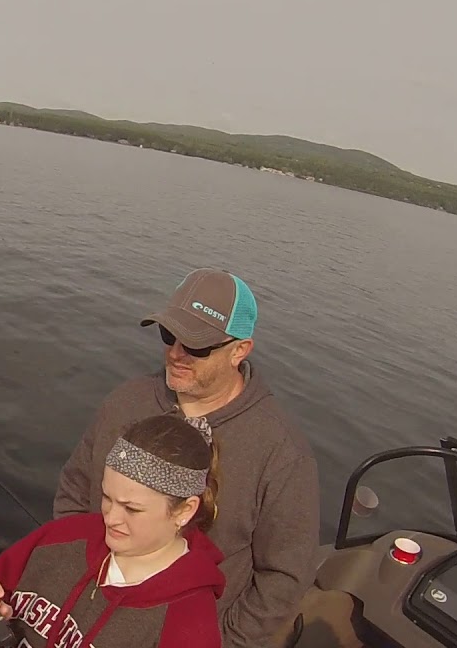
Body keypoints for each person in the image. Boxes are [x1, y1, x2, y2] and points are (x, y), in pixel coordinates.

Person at [51, 267, 319, 648]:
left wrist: (219, 640)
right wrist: (72, 577)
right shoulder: (125, 402)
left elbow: (285, 576)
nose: (176, 353)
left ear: (239, 350)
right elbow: (74, 492)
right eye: (169, 335)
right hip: (87, 611)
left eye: (197, 345)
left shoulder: (282, 453)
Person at [0, 415, 226, 648]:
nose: (111, 518)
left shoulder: (190, 622)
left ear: (184, 511)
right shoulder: (62, 537)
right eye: (107, 497)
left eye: (132, 509)